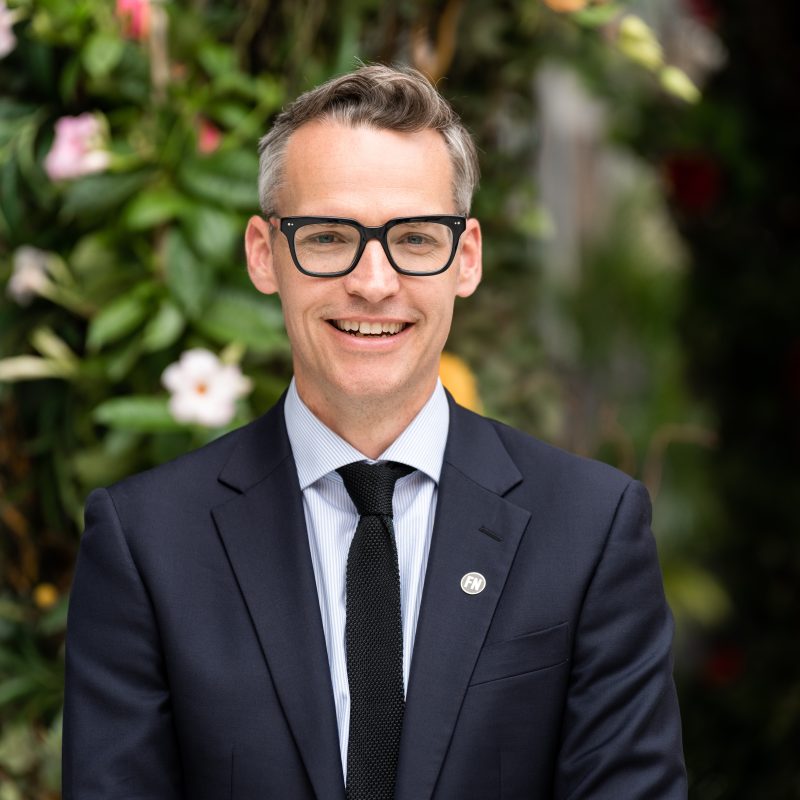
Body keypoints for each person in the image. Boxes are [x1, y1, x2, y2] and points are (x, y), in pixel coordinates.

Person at [62, 64, 687, 799]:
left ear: (466, 259)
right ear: (264, 254)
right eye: (329, 237)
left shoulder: (589, 529)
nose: (373, 282)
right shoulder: (145, 542)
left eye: (415, 238)